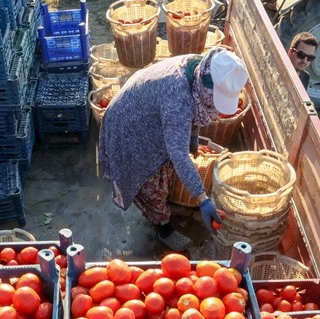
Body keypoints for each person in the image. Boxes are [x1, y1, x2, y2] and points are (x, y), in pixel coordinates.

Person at [97, 47, 250, 251]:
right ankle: (163, 226)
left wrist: (192, 139)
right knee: (151, 181)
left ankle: (161, 208)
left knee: (167, 165)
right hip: (129, 125)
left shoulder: (199, 68)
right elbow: (178, 153)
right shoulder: (177, 97)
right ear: (208, 86)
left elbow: (191, 112)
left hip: (147, 112)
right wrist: (202, 199)